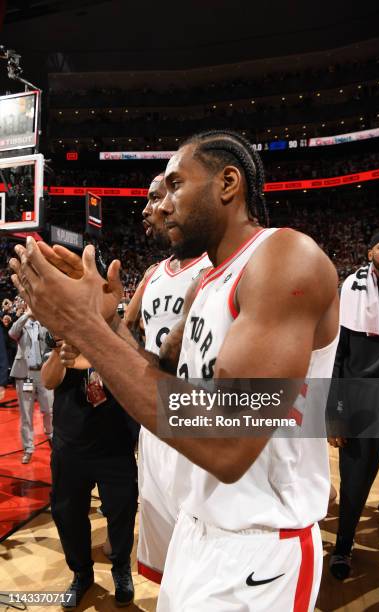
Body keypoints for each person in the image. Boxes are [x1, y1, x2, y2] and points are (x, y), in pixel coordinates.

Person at [11, 129, 339, 611]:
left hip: (262, 545)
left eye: (175, 185)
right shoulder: (206, 282)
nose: (162, 205)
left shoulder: (286, 257)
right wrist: (107, 324)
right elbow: (163, 381)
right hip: (197, 526)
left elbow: (228, 441)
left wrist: (86, 330)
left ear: (228, 183)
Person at [126, 174, 210, 583]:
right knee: (163, 535)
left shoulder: (217, 266)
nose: (147, 209)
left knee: (202, 536)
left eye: (155, 197)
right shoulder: (152, 273)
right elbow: (125, 327)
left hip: (200, 416)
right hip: (154, 415)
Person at [328, 229, 379, 587]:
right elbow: (337, 358)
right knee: (355, 485)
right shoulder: (351, 290)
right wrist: (335, 413)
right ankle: (343, 547)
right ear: (370, 252)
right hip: (362, 401)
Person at [41, 337, 138, 608]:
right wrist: (60, 352)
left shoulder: (114, 335)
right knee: (68, 514)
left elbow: (131, 377)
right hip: (70, 447)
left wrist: (94, 353)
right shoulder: (64, 339)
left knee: (122, 511)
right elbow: (48, 381)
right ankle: (81, 573)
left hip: (115, 446)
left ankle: (120, 568)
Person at [9, 306, 53, 463]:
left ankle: (51, 436)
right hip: (24, 374)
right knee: (26, 414)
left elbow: (52, 340)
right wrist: (26, 314)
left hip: (43, 372)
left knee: (49, 410)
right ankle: (28, 448)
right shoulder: (22, 326)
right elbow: (12, 333)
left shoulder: (44, 324)